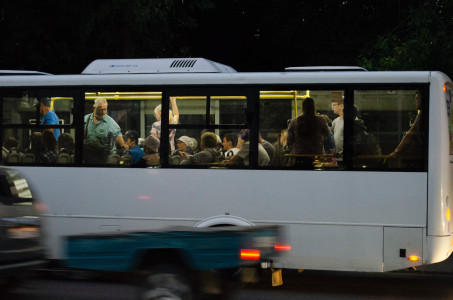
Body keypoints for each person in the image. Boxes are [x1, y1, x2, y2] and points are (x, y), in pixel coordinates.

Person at [287, 97, 329, 167]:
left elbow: (289, 140)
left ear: (302, 107)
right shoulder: (321, 120)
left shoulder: (294, 122)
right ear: (314, 107)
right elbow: (327, 134)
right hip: (317, 157)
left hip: (299, 157)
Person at [84, 98, 128, 164]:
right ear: (94, 108)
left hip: (102, 156)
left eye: (105, 109)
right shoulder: (86, 119)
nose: (103, 112)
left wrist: (123, 145)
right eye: (100, 110)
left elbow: (118, 135)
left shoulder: (110, 122)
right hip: (87, 154)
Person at [388, 92, 423, 161]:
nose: (415, 102)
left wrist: (396, 152)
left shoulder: (422, 114)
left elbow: (410, 134)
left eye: (417, 98)